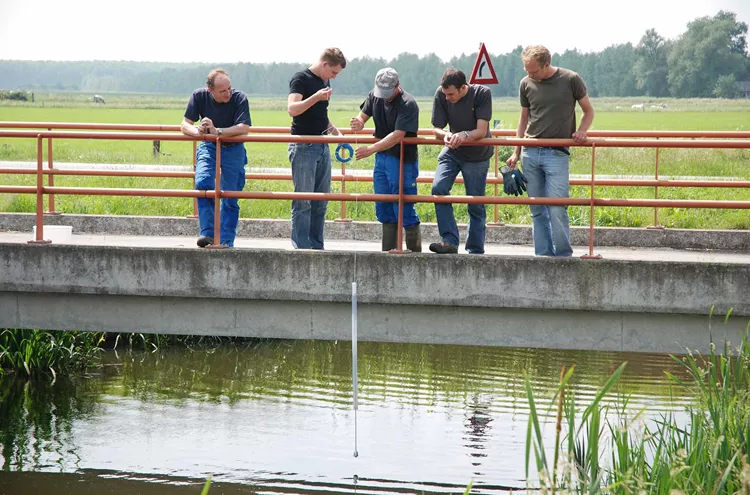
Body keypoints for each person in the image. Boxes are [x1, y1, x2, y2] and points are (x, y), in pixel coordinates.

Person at [506, 45, 595, 257]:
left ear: (547, 64)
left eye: (534, 71)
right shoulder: (525, 84)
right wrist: (516, 152)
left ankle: (564, 256)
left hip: (557, 153)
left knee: (557, 207)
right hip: (530, 151)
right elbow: (523, 119)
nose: (530, 75)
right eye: (527, 70)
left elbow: (588, 111)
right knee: (537, 210)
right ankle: (543, 256)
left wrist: (581, 132)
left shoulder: (571, 79)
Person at [349, 68, 421, 252]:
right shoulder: (374, 96)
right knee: (383, 206)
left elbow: (398, 134)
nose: (384, 97)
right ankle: (388, 253)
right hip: (382, 158)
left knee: (403, 206)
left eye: (388, 93)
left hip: (402, 158)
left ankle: (415, 254)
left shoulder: (408, 104)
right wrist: (359, 122)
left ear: (398, 86)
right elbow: (363, 115)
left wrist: (370, 149)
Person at [181, 68, 251, 248]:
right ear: (210, 91)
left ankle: (226, 241)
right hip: (209, 145)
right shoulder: (199, 96)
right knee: (203, 183)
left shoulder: (239, 98)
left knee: (229, 194)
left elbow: (243, 127)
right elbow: (184, 125)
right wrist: (199, 132)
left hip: (233, 147)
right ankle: (209, 234)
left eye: (229, 88)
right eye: (222, 91)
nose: (228, 93)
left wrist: (217, 131)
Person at [287, 48, 347, 250]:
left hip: (322, 145)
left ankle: (317, 247)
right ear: (325, 65)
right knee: (303, 202)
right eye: (334, 73)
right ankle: (301, 249)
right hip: (303, 145)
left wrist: (335, 132)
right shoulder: (300, 79)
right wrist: (315, 97)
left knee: (321, 201)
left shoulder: (324, 81)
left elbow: (321, 115)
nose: (334, 77)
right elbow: (292, 109)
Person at [429, 68, 493, 254]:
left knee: (475, 203)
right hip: (453, 150)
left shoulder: (482, 94)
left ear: (463, 88)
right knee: (438, 188)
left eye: (451, 94)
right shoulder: (441, 95)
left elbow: (481, 131)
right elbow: (436, 129)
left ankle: (474, 249)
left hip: (477, 155)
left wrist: (463, 135)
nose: (447, 98)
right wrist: (447, 135)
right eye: (445, 94)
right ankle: (449, 241)